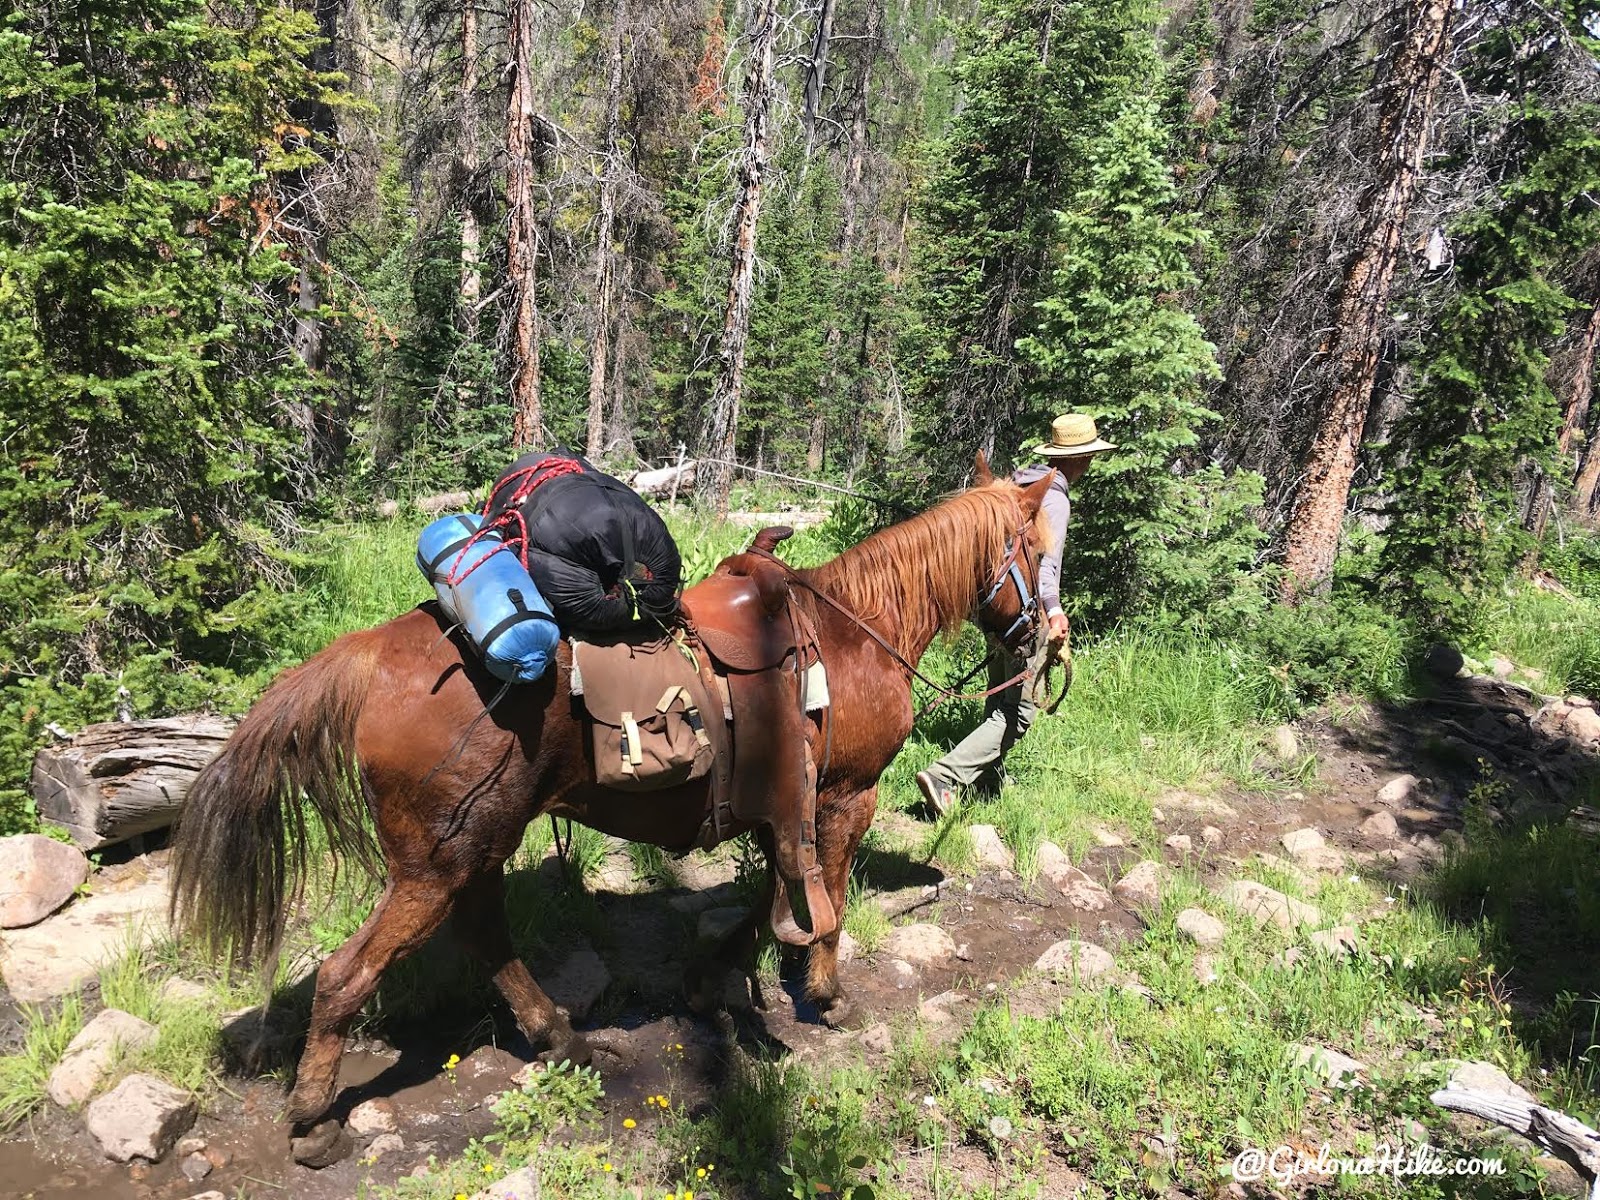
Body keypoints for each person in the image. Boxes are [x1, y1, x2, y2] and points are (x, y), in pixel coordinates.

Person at [915, 413, 1115, 818]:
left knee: (1000, 694)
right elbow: (1045, 566)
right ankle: (945, 777)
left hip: (996, 609)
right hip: (1026, 614)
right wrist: (1054, 614)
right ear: (1078, 458)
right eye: (1089, 456)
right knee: (1019, 713)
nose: (1090, 463)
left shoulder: (1017, 483)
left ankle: (985, 776)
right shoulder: (1052, 497)